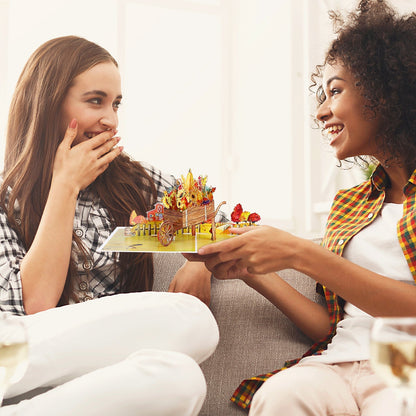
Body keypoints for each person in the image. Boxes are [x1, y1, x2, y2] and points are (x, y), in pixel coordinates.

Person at [186, 0, 416, 414]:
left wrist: (300, 252)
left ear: (385, 90)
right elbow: (332, 325)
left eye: (336, 90)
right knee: (281, 395)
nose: (322, 110)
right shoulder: (350, 205)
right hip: (337, 365)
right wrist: (252, 271)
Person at [0, 35, 218, 415]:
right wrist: (65, 185)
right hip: (12, 352)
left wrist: (196, 261)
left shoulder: (130, 181)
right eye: (95, 101)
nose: (111, 119)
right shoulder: (5, 198)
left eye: (116, 104)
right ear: (48, 103)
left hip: (80, 381)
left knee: (181, 379)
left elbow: (202, 203)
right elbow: (34, 305)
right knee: (192, 318)